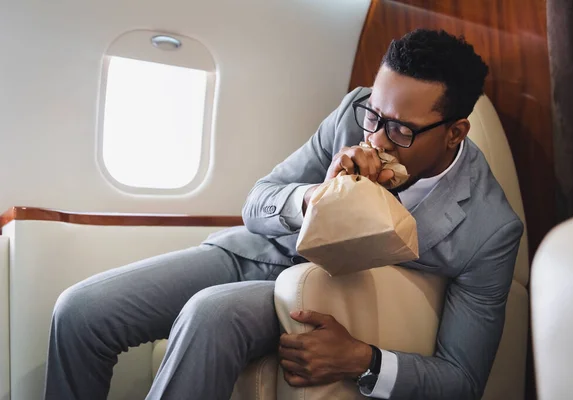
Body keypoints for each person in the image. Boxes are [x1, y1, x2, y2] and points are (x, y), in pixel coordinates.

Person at [43, 28, 523, 400]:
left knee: (210, 312)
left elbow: (462, 380)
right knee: (80, 311)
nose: (375, 138)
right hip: (260, 253)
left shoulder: (489, 227)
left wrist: (365, 360)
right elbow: (258, 199)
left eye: (400, 130)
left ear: (455, 133)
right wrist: (313, 197)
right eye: (374, 116)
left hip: (323, 294)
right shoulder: (352, 112)